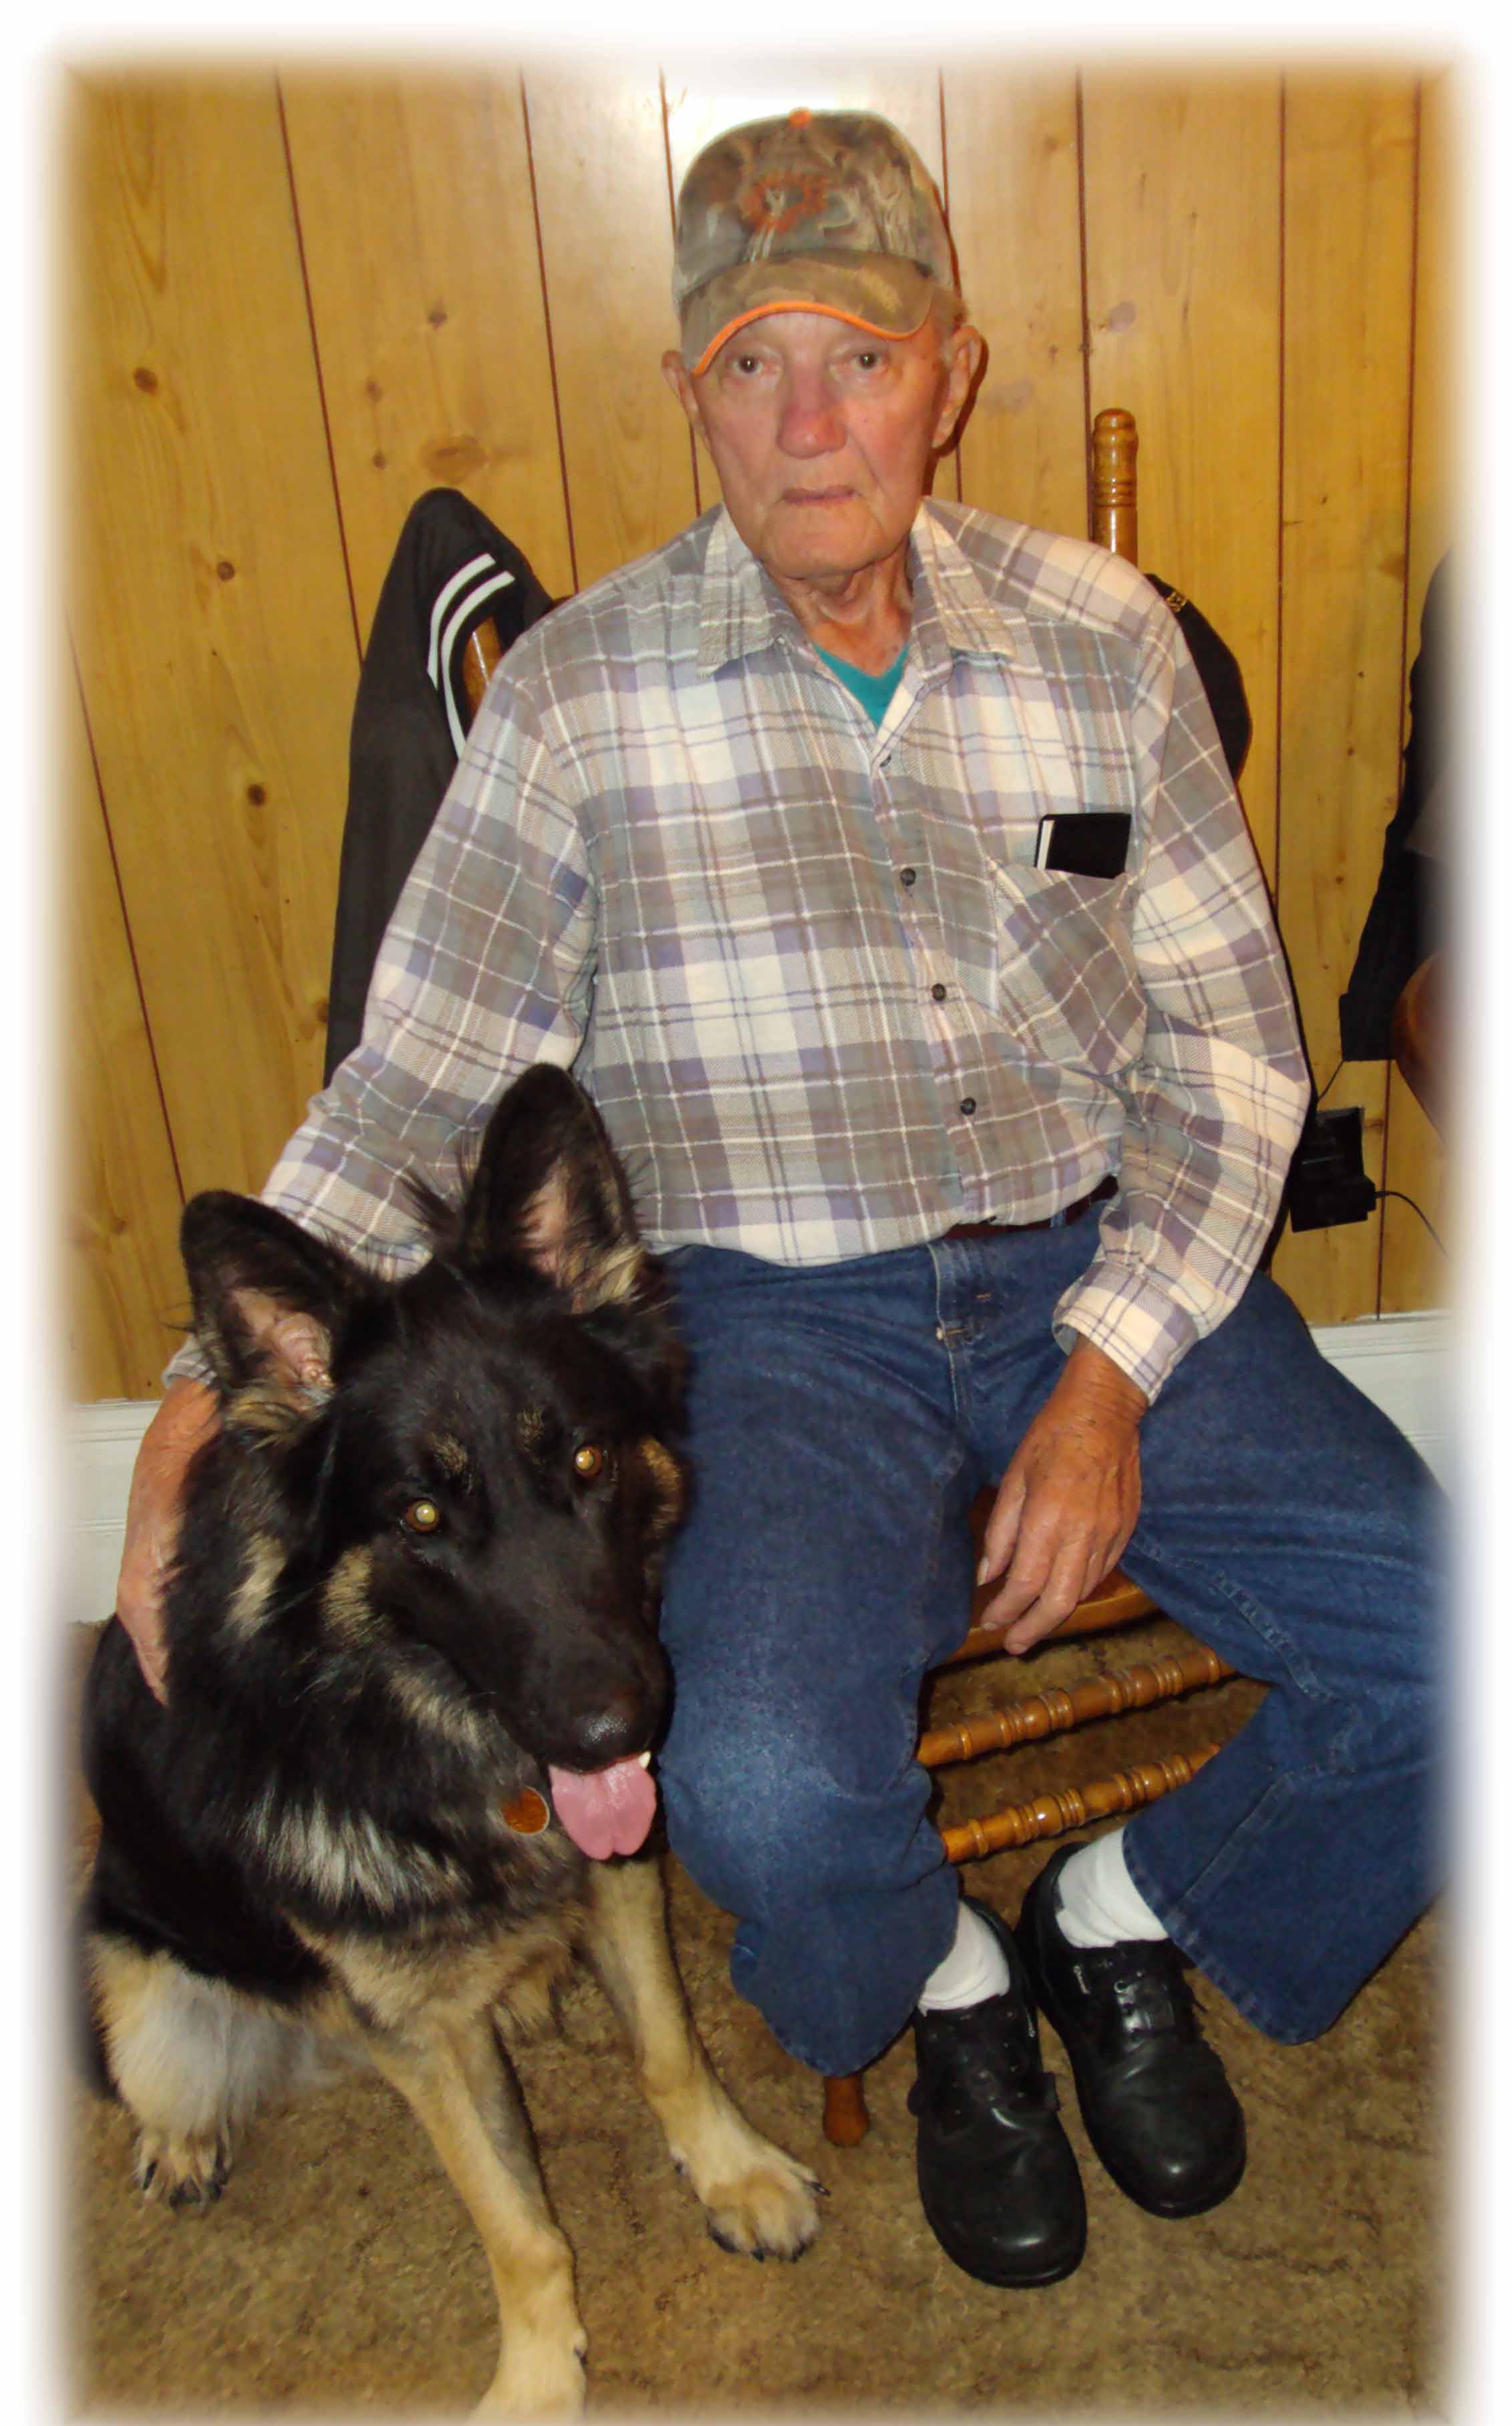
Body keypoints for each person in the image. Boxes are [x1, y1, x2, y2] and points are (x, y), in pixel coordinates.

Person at [117, 109, 1441, 2290]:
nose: (811, 423)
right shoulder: (576, 703)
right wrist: (194, 1408)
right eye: (754, 365)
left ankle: (1126, 1912)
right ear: (691, 394)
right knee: (750, 1782)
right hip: (776, 1325)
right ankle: (941, 1978)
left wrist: (1109, 1374)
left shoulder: (1105, 641)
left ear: (954, 375)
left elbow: (1230, 1058)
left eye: (863, 356)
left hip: (1108, 1263)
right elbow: (415, 1082)